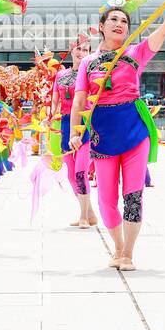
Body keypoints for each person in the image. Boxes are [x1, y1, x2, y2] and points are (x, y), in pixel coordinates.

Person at [69, 0, 165, 271]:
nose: (119, 24)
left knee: (133, 195)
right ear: (101, 26)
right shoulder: (88, 62)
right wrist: (76, 133)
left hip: (134, 131)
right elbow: (78, 102)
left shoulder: (135, 53)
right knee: (106, 200)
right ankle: (118, 245)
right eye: (113, 19)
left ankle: (129, 252)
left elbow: (161, 32)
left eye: (124, 21)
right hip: (101, 134)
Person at [51, 36, 97, 227]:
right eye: (78, 49)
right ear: (71, 51)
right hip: (65, 124)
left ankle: (84, 217)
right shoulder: (60, 75)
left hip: (86, 124)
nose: (81, 53)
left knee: (80, 172)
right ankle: (90, 213)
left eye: (85, 50)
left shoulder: (92, 75)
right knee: (71, 174)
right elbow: (55, 99)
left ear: (90, 54)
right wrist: (50, 115)